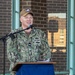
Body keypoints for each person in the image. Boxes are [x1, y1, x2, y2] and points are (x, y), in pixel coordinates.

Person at [6, 8, 51, 75]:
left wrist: (41, 64)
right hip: (19, 71)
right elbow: (11, 54)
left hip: (36, 70)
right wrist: (25, 66)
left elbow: (46, 51)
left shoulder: (40, 34)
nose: (29, 19)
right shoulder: (14, 34)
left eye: (31, 17)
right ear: (21, 19)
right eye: (26, 17)